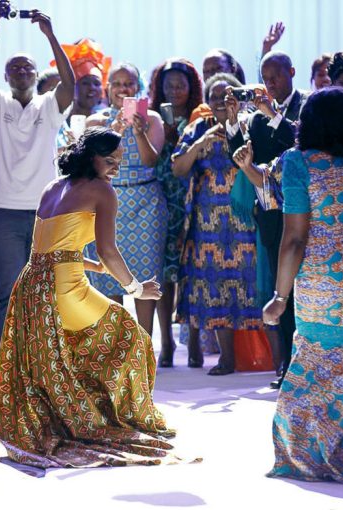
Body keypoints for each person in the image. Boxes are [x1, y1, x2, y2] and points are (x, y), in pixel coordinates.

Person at [0, 128, 174, 470]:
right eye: (110, 160)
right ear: (90, 157)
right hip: (64, 289)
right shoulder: (103, 190)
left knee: (75, 347)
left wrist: (92, 265)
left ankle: (81, 414)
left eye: (120, 160)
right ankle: (111, 417)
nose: (116, 167)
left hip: (31, 286)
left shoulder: (52, 186)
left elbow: (47, 249)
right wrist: (136, 289)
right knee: (128, 334)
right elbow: (108, 250)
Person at [251, 87, 343, 484]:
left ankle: (312, 453)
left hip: (323, 285)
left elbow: (295, 239)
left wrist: (280, 297)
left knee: (319, 362)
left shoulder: (298, 163)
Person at [0, 3, 75, 364]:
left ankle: (42, 365)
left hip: (44, 214)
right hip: (3, 212)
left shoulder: (49, 107)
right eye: (14, 67)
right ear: (6, 76)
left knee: (45, 292)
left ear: (36, 74)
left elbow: (70, 84)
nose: (21, 71)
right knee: (8, 292)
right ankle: (5, 368)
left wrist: (50, 35)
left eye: (27, 67)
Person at [172, 74, 264, 375]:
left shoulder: (251, 126)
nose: (222, 102)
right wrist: (200, 144)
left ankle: (275, 361)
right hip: (208, 222)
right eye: (215, 97)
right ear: (207, 102)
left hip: (245, 218)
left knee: (251, 282)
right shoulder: (199, 127)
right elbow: (178, 169)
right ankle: (226, 358)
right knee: (216, 285)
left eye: (228, 96)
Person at [225, 53, 304, 387]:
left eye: (276, 76)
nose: (270, 83)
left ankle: (306, 366)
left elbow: (298, 141)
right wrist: (232, 121)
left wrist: (272, 115)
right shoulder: (256, 119)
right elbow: (241, 157)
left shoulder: (306, 106)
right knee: (280, 289)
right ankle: (286, 367)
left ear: (292, 72)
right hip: (271, 213)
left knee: (302, 291)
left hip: (304, 211)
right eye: (265, 77)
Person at [86, 64, 168, 339]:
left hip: (145, 205)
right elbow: (95, 164)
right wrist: (114, 130)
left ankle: (144, 346)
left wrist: (139, 131)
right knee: (107, 276)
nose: (123, 89)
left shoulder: (152, 118)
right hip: (107, 203)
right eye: (118, 84)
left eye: (129, 83)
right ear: (108, 88)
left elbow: (150, 160)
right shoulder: (95, 122)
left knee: (146, 276)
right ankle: (115, 347)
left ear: (138, 87)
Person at [148, 58, 205, 365]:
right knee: (164, 272)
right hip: (162, 199)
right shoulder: (154, 117)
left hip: (195, 199)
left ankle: (194, 339)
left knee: (192, 271)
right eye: (168, 85)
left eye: (180, 85)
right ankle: (167, 342)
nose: (174, 90)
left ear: (191, 86)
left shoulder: (201, 116)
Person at [58, 38, 109, 121]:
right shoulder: (60, 119)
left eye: (97, 83)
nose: (92, 88)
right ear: (73, 87)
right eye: (85, 83)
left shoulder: (108, 119)